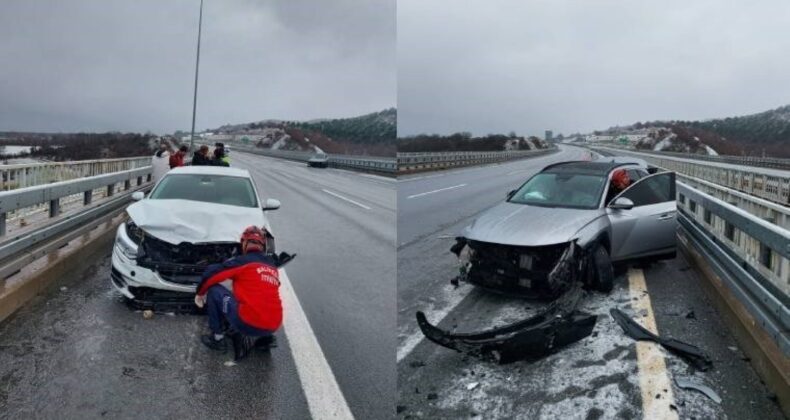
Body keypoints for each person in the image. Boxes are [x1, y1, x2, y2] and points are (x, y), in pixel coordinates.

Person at [194, 226, 281, 357]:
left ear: (244, 243)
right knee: (263, 297)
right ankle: (265, 339)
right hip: (274, 325)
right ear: (262, 246)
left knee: (214, 290)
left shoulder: (242, 261)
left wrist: (200, 293)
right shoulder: (272, 266)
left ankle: (217, 339)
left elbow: (212, 275)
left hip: (247, 323)